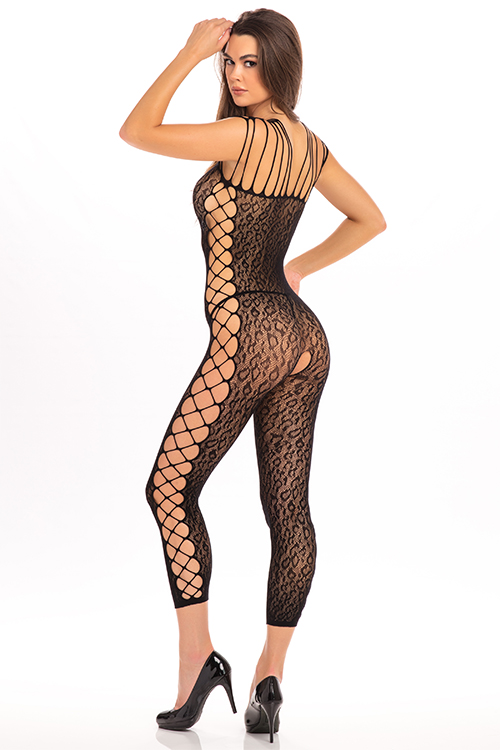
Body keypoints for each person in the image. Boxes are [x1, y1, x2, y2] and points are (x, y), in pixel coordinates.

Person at [119, 9, 386, 742]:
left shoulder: (242, 138)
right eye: (228, 61)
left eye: (249, 62)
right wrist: (298, 269)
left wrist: (187, 53)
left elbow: (136, 131)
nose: (236, 74)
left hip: (252, 335)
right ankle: (271, 675)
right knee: (288, 509)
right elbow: (369, 218)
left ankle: (198, 661)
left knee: (169, 488)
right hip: (304, 338)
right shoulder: (308, 145)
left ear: (280, 67)